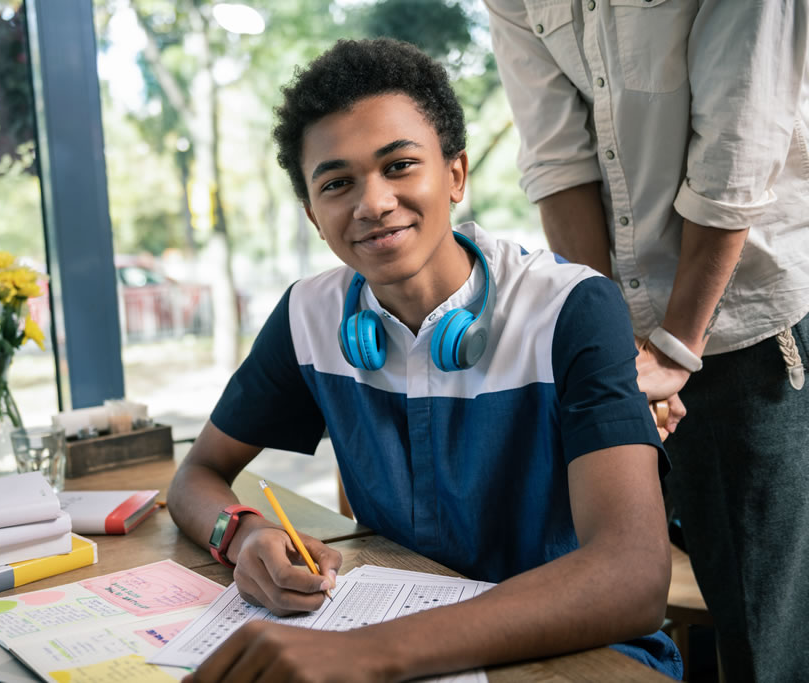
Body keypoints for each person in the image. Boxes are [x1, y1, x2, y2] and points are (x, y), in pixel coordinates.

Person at [167, 38, 682, 682]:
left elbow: (631, 577)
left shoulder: (573, 307)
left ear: (456, 174)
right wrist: (242, 536)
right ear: (311, 214)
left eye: (400, 165)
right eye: (336, 183)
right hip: (392, 636)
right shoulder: (308, 315)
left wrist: (360, 655)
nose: (373, 203)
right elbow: (196, 479)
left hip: (568, 652)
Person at [483, 2, 809, 680]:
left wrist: (673, 348)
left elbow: (736, 147)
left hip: (742, 325)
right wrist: (617, 346)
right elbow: (557, 160)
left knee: (765, 635)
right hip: (632, 341)